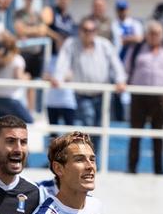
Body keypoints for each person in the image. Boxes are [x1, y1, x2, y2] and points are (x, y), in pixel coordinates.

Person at [52, 18, 126, 154]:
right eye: (85, 30)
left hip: (102, 94)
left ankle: (93, 157)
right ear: (80, 31)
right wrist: (58, 77)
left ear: (96, 31)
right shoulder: (71, 44)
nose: (88, 33)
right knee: (89, 120)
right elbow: (63, 61)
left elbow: (116, 64)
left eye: (91, 30)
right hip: (82, 94)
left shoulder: (105, 45)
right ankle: (89, 156)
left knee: (99, 127)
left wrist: (120, 80)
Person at [123, 21, 163, 175]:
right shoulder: (136, 50)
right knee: (135, 134)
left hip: (160, 98)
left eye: (157, 33)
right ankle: (132, 167)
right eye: (151, 33)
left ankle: (159, 169)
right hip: (139, 96)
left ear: (162, 35)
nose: (154, 36)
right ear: (146, 34)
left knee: (158, 135)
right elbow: (126, 69)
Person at [0, 33, 33, 123]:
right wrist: (27, 77)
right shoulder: (17, 59)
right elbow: (19, 77)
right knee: (29, 122)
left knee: (6, 127)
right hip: (11, 99)